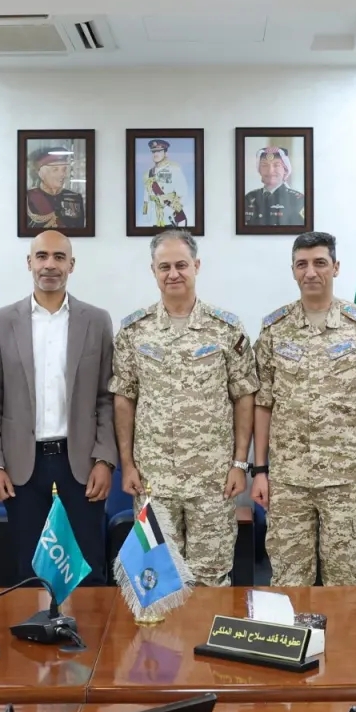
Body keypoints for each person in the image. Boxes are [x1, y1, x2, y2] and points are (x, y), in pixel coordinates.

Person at [111, 230, 255, 586]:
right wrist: (127, 464)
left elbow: (244, 396)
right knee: (156, 578)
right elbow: (124, 397)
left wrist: (240, 463)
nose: (173, 273)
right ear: (153, 271)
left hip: (213, 481)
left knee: (210, 579)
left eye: (181, 265)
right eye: (164, 267)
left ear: (196, 266)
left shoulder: (226, 328)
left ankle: (206, 627)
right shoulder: (134, 331)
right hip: (153, 479)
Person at [252, 231, 356, 586]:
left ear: (336, 267)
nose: (311, 272)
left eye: (320, 263)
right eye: (302, 264)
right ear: (293, 271)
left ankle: (344, 629)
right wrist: (261, 470)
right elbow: (263, 403)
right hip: (288, 480)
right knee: (289, 580)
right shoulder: (274, 329)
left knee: (345, 582)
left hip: (346, 479)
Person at [0, 231, 118, 584]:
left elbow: (106, 397)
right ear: (30, 263)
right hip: (21, 467)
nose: (50, 265)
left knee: (88, 567)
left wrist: (104, 460)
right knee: (30, 570)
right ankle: (36, 622)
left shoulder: (97, 320)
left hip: (81, 464)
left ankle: (87, 623)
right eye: (42, 256)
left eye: (59, 257)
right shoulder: (1, 322)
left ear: (72, 265)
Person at [241, 142, 306, 227]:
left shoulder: (298, 200)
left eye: (276, 165)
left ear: (285, 170)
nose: (270, 171)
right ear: (259, 170)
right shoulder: (249, 197)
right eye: (264, 165)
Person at [24, 145, 88, 232]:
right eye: (55, 170)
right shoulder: (29, 197)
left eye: (64, 170)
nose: (62, 174)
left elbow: (80, 229)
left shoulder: (75, 197)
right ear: (41, 174)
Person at [139, 139, 192, 228]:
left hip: (170, 217)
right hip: (155, 218)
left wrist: (173, 210)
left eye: (159, 151)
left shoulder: (174, 170)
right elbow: (146, 197)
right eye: (153, 152)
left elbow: (183, 194)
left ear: (166, 153)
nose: (155, 154)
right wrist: (146, 215)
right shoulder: (148, 174)